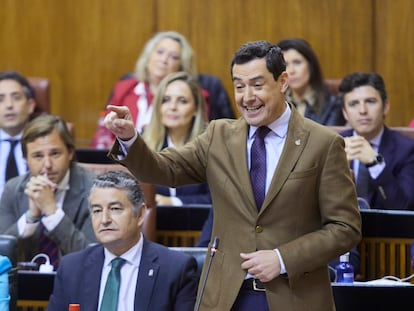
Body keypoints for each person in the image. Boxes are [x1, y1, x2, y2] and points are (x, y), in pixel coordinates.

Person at [104, 40, 361, 310]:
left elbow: (345, 228)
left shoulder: (322, 142)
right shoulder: (219, 136)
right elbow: (162, 168)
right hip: (226, 298)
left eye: (257, 85)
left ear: (283, 81)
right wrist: (129, 138)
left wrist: (283, 258)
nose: (247, 97)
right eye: (239, 86)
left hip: (295, 296)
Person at [47, 170, 198, 311]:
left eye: (115, 209)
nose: (104, 220)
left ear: (140, 214)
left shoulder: (175, 269)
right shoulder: (71, 269)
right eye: (97, 210)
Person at [91, 30, 234, 149]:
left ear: (181, 67)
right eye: (159, 52)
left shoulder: (195, 97)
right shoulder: (124, 88)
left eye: (173, 57)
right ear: (148, 58)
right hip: (123, 164)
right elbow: (103, 136)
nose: (164, 59)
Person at [0, 114, 96, 267]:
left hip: (76, 284)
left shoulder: (94, 190)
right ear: (26, 159)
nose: (47, 165)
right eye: (38, 156)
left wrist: (52, 212)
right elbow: (1, 256)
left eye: (55, 153)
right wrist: (31, 217)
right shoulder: (13, 189)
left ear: (70, 153)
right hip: (25, 285)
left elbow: (93, 258)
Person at [339, 72, 414, 210]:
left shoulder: (407, 150)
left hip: (387, 230)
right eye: (354, 104)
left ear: (385, 107)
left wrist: (375, 164)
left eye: (370, 102)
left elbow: (403, 207)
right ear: (345, 112)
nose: (362, 110)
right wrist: (337, 168)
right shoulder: (333, 144)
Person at [143, 71, 211, 205]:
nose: (172, 107)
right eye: (166, 100)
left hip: (197, 223)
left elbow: (218, 199)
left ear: (196, 109)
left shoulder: (211, 145)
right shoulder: (144, 144)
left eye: (182, 101)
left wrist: (173, 201)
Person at [277, 38, 345, 126]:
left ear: (311, 65)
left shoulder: (332, 105)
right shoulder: (277, 103)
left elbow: (328, 138)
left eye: (297, 62)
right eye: (285, 65)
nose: (291, 71)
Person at [0, 71, 36, 197]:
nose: (9, 105)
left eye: (16, 98)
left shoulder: (44, 144)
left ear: (31, 105)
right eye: (1, 99)